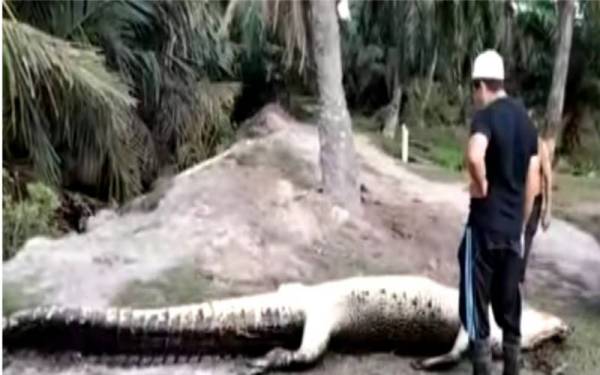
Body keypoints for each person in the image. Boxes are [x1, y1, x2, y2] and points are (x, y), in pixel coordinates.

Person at [459, 50, 540, 375]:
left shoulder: (486, 116)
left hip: (482, 227)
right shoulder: (526, 122)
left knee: (475, 304)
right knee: (510, 307)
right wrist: (519, 220)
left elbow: (475, 156)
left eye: (474, 89)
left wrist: (482, 184)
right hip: (511, 232)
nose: (475, 97)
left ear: (481, 85)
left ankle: (481, 368)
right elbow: (533, 180)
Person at [521, 135, 553, 282]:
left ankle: (519, 274)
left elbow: (548, 177)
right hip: (516, 198)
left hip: (535, 201)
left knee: (527, 238)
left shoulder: (540, 145)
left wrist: (548, 209)